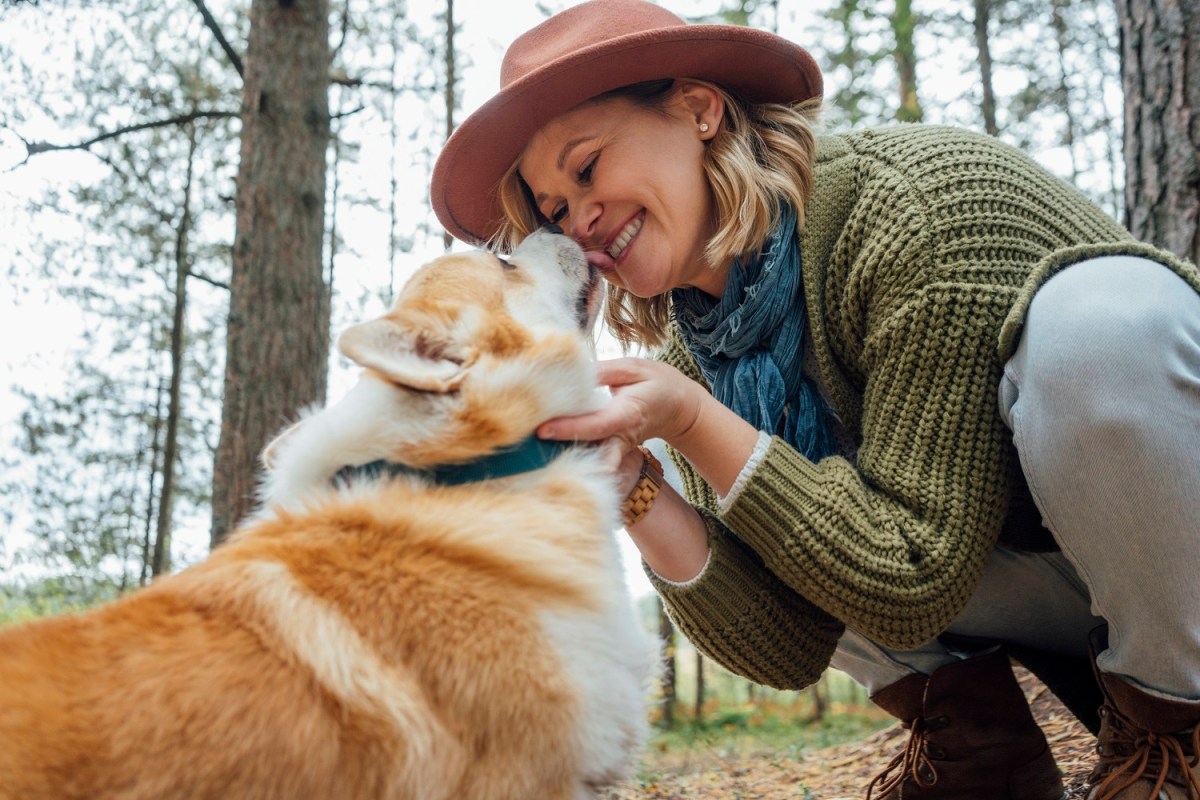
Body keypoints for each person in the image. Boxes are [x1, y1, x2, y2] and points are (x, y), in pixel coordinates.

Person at [430, 2, 1200, 798]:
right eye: (554, 209)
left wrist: (699, 425)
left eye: (586, 167)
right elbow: (788, 644)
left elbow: (910, 574)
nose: (578, 219)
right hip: (1058, 584)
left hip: (1178, 562)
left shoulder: (907, 208)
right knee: (717, 464)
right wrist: (635, 485)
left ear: (699, 110)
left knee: (1097, 321)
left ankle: (1179, 733)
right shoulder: (697, 358)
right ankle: (981, 754)